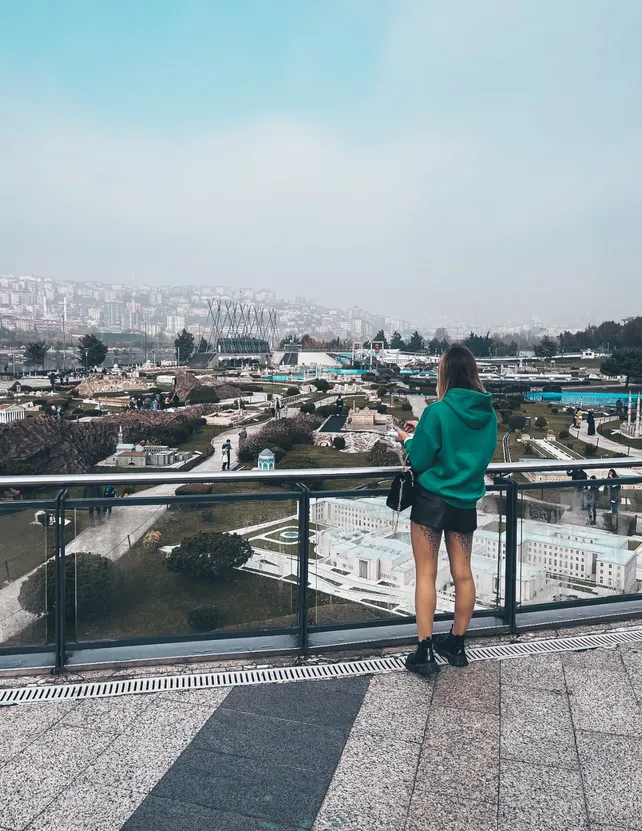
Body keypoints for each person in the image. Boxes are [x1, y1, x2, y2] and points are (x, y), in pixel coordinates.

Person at [395, 344, 497, 677]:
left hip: (432, 501)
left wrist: (407, 440)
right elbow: (478, 455)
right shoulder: (489, 414)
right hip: (466, 501)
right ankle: (456, 643)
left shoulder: (437, 411)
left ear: (445, 373)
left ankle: (424, 651)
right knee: (463, 574)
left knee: (426, 574)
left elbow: (421, 458)